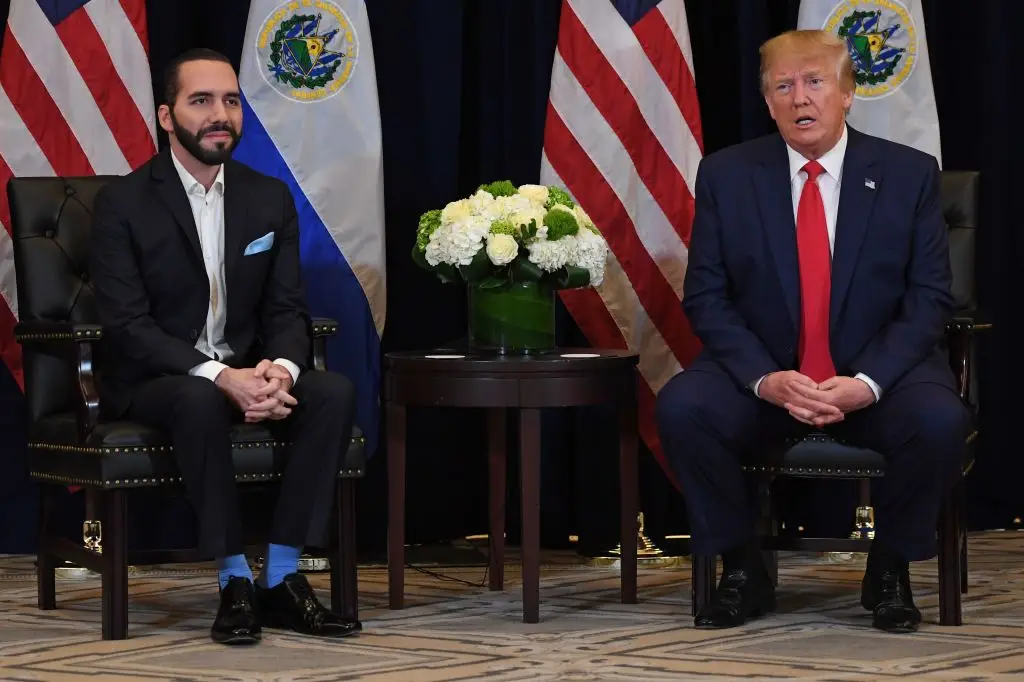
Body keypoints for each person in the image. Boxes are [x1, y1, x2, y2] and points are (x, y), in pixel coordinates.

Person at [656, 30, 970, 633]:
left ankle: (889, 567)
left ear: (847, 93)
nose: (800, 98)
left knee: (939, 420)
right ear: (768, 101)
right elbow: (707, 297)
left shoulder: (908, 174)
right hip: (769, 374)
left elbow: (929, 297)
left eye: (815, 82)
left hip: (877, 373)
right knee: (683, 409)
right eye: (783, 86)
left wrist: (868, 383)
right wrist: (765, 379)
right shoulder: (727, 175)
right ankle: (742, 566)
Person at [89, 48, 360, 645]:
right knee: (199, 399)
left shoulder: (269, 198)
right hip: (155, 380)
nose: (221, 114)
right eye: (202, 100)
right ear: (167, 116)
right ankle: (234, 579)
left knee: (333, 392)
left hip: (243, 368)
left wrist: (281, 371)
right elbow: (129, 326)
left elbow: (286, 308)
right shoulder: (123, 203)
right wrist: (220, 377)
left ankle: (283, 576)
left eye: (231, 101)